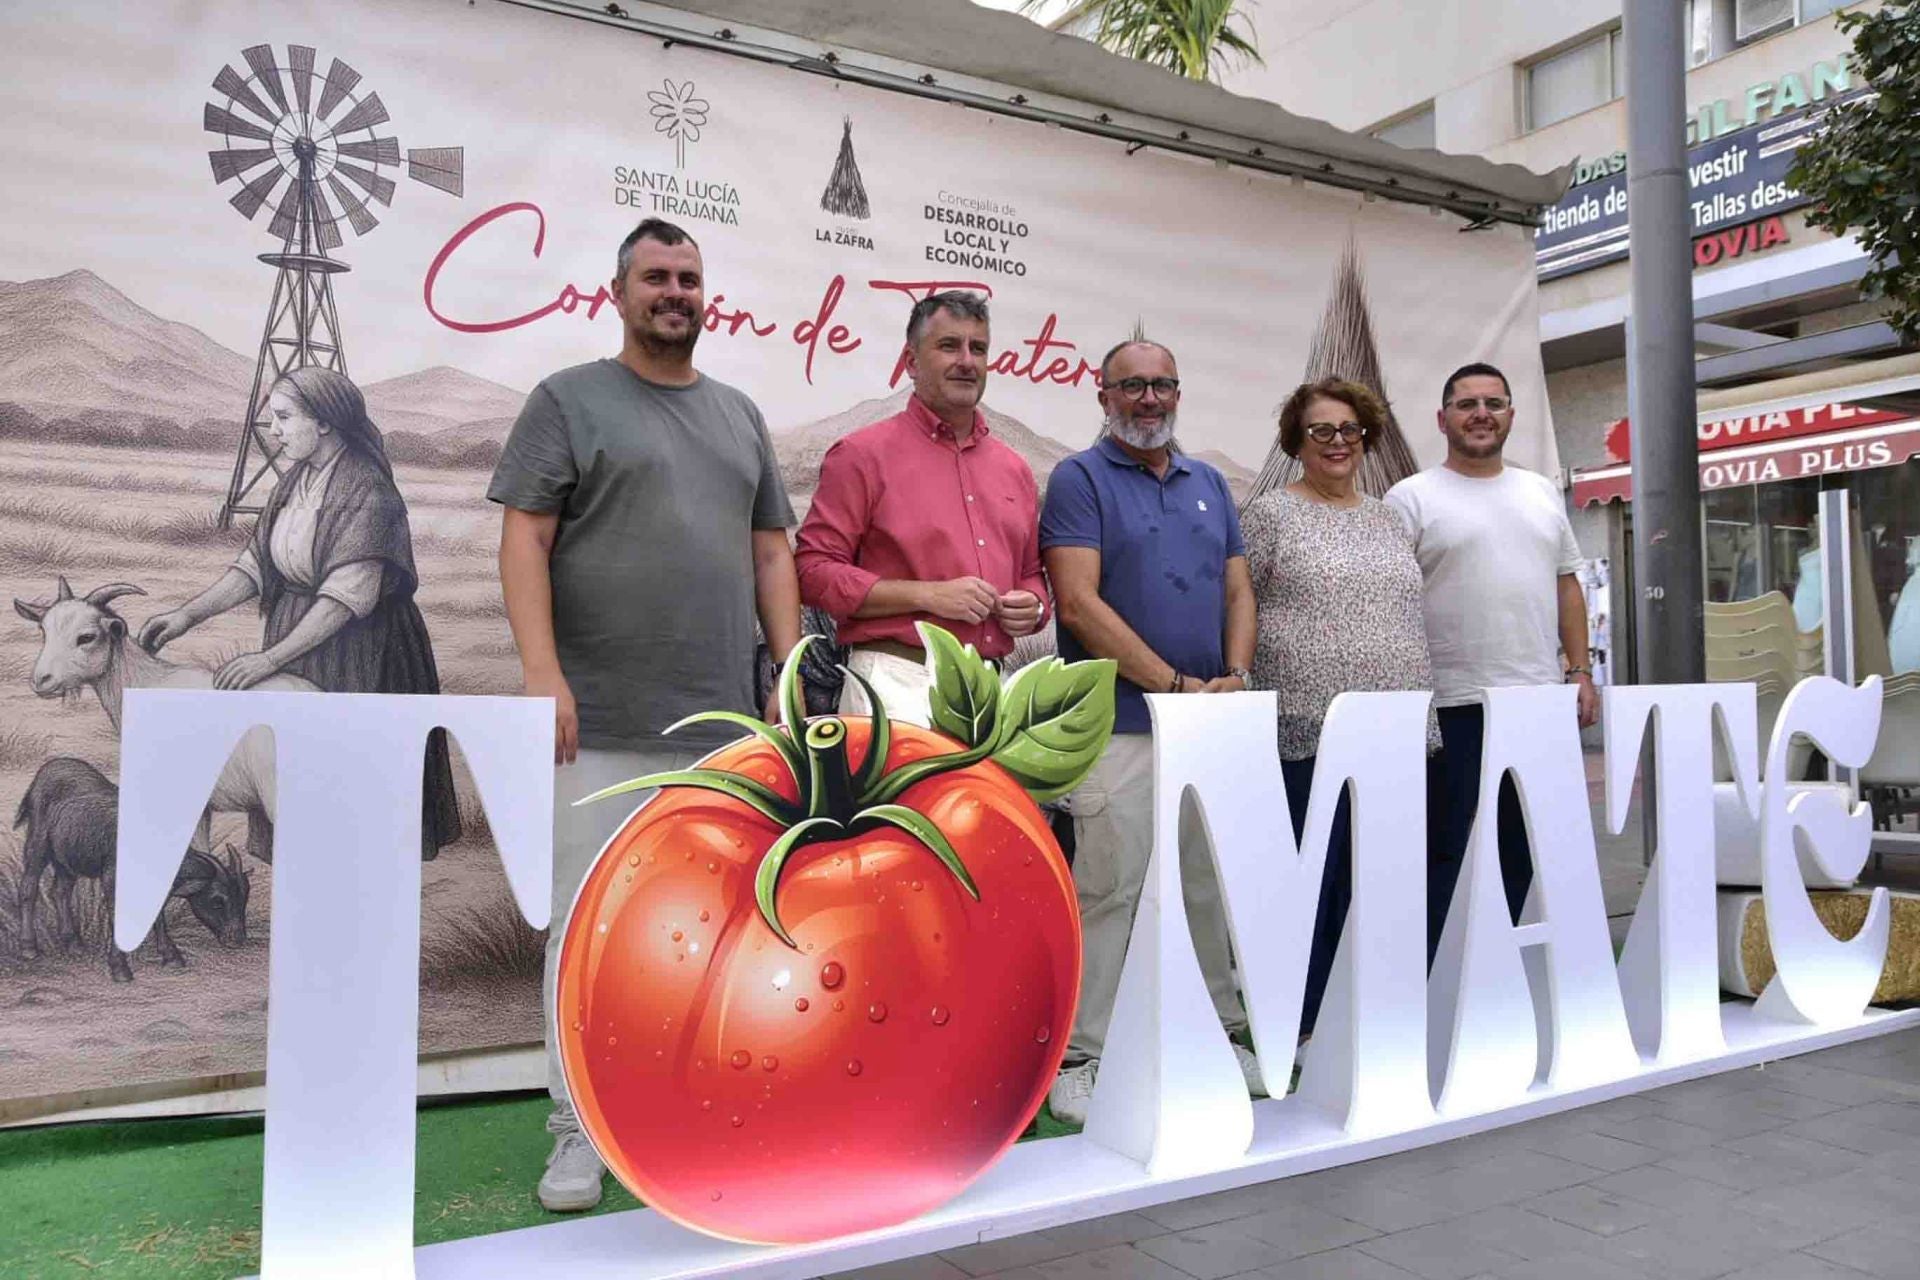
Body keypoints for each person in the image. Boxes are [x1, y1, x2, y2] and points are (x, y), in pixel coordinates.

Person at [487, 217, 801, 1212]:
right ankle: (575, 1127)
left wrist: (788, 675)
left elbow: (770, 555)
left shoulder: (741, 416)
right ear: (617, 294)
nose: (676, 291)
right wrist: (543, 670)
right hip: (599, 718)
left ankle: (684, 1112)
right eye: (657, 276)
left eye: (691, 278)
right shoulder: (567, 401)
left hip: (722, 734)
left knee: (709, 933)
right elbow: (525, 538)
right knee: (582, 929)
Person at [1039, 338, 1260, 1125]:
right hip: (1120, 724)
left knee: (1203, 885)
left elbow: (1238, 586)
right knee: (1109, 888)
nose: (1149, 399)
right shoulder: (1080, 478)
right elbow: (1078, 604)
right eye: (1131, 386)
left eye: (1163, 384)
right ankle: (1081, 1055)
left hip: (1206, 719)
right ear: (1103, 396)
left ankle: (1221, 1033)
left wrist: (1232, 671)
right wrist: (1171, 684)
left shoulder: (1208, 483)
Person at [137, 365, 460, 858]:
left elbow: (347, 597)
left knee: (353, 793)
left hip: (363, 657)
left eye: (285, 417)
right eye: (273, 418)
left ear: (325, 422)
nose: (273, 430)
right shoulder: (292, 483)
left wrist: (268, 661)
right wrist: (188, 615)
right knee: (291, 786)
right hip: (297, 644)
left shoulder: (367, 490)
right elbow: (255, 567)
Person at [1241, 378, 1440, 1040]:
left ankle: (1378, 1011)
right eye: (1320, 430)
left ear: (1367, 437)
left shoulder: (1388, 516)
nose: (1336, 442)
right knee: (1312, 884)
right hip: (1307, 726)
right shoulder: (1269, 515)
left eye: (1349, 429)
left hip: (1396, 729)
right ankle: (1299, 1024)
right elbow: (1239, 609)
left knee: (1383, 877)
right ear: (1297, 441)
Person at [1385, 362, 1594, 959]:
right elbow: (1391, 596)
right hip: (1449, 705)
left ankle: (1495, 973)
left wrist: (1579, 670)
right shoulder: (1411, 498)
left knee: (1521, 848)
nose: (1481, 414)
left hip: (1535, 703)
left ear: (1511, 415)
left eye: (1494, 403)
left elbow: (1566, 584)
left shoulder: (1540, 491)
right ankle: (1424, 981)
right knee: (1442, 849)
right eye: (1467, 403)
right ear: (1442, 418)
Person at [793, 290, 1047, 727]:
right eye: (949, 346)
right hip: (896, 683)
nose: (967, 361)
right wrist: (930, 596)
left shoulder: (1014, 469)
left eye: (978, 348)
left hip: (992, 694)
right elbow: (813, 572)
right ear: (911, 362)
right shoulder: (861, 455)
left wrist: (1034, 606)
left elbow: (1031, 575)